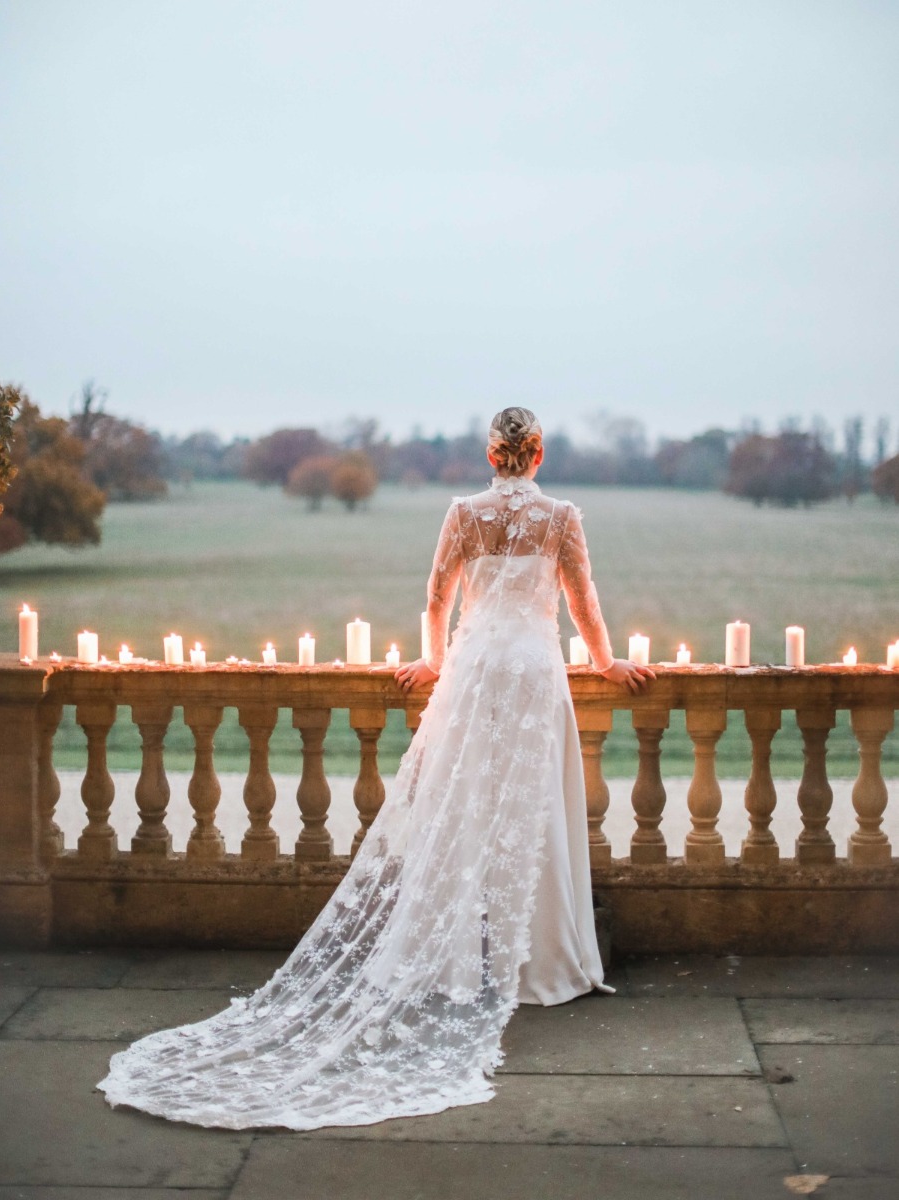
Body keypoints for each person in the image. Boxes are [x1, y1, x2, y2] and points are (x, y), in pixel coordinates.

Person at [98, 407, 653, 1131]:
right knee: (534, 810)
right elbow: (583, 603)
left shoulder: (462, 513)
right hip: (532, 673)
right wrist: (608, 666)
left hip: (475, 669)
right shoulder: (563, 517)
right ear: (538, 452)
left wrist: (432, 660)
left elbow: (435, 599)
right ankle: (544, 964)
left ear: (492, 452)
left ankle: (459, 964)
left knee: (462, 813)